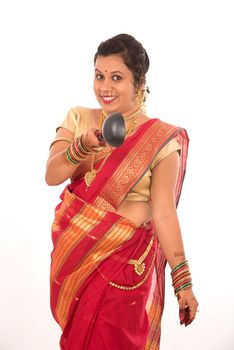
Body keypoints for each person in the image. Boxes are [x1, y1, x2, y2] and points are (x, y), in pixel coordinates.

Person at [45, 33, 199, 350]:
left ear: (139, 84)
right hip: (80, 263)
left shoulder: (161, 139)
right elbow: (52, 174)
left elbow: (164, 211)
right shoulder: (80, 118)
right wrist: (81, 146)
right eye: (99, 76)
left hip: (127, 270)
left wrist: (182, 280)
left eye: (117, 77)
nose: (105, 87)